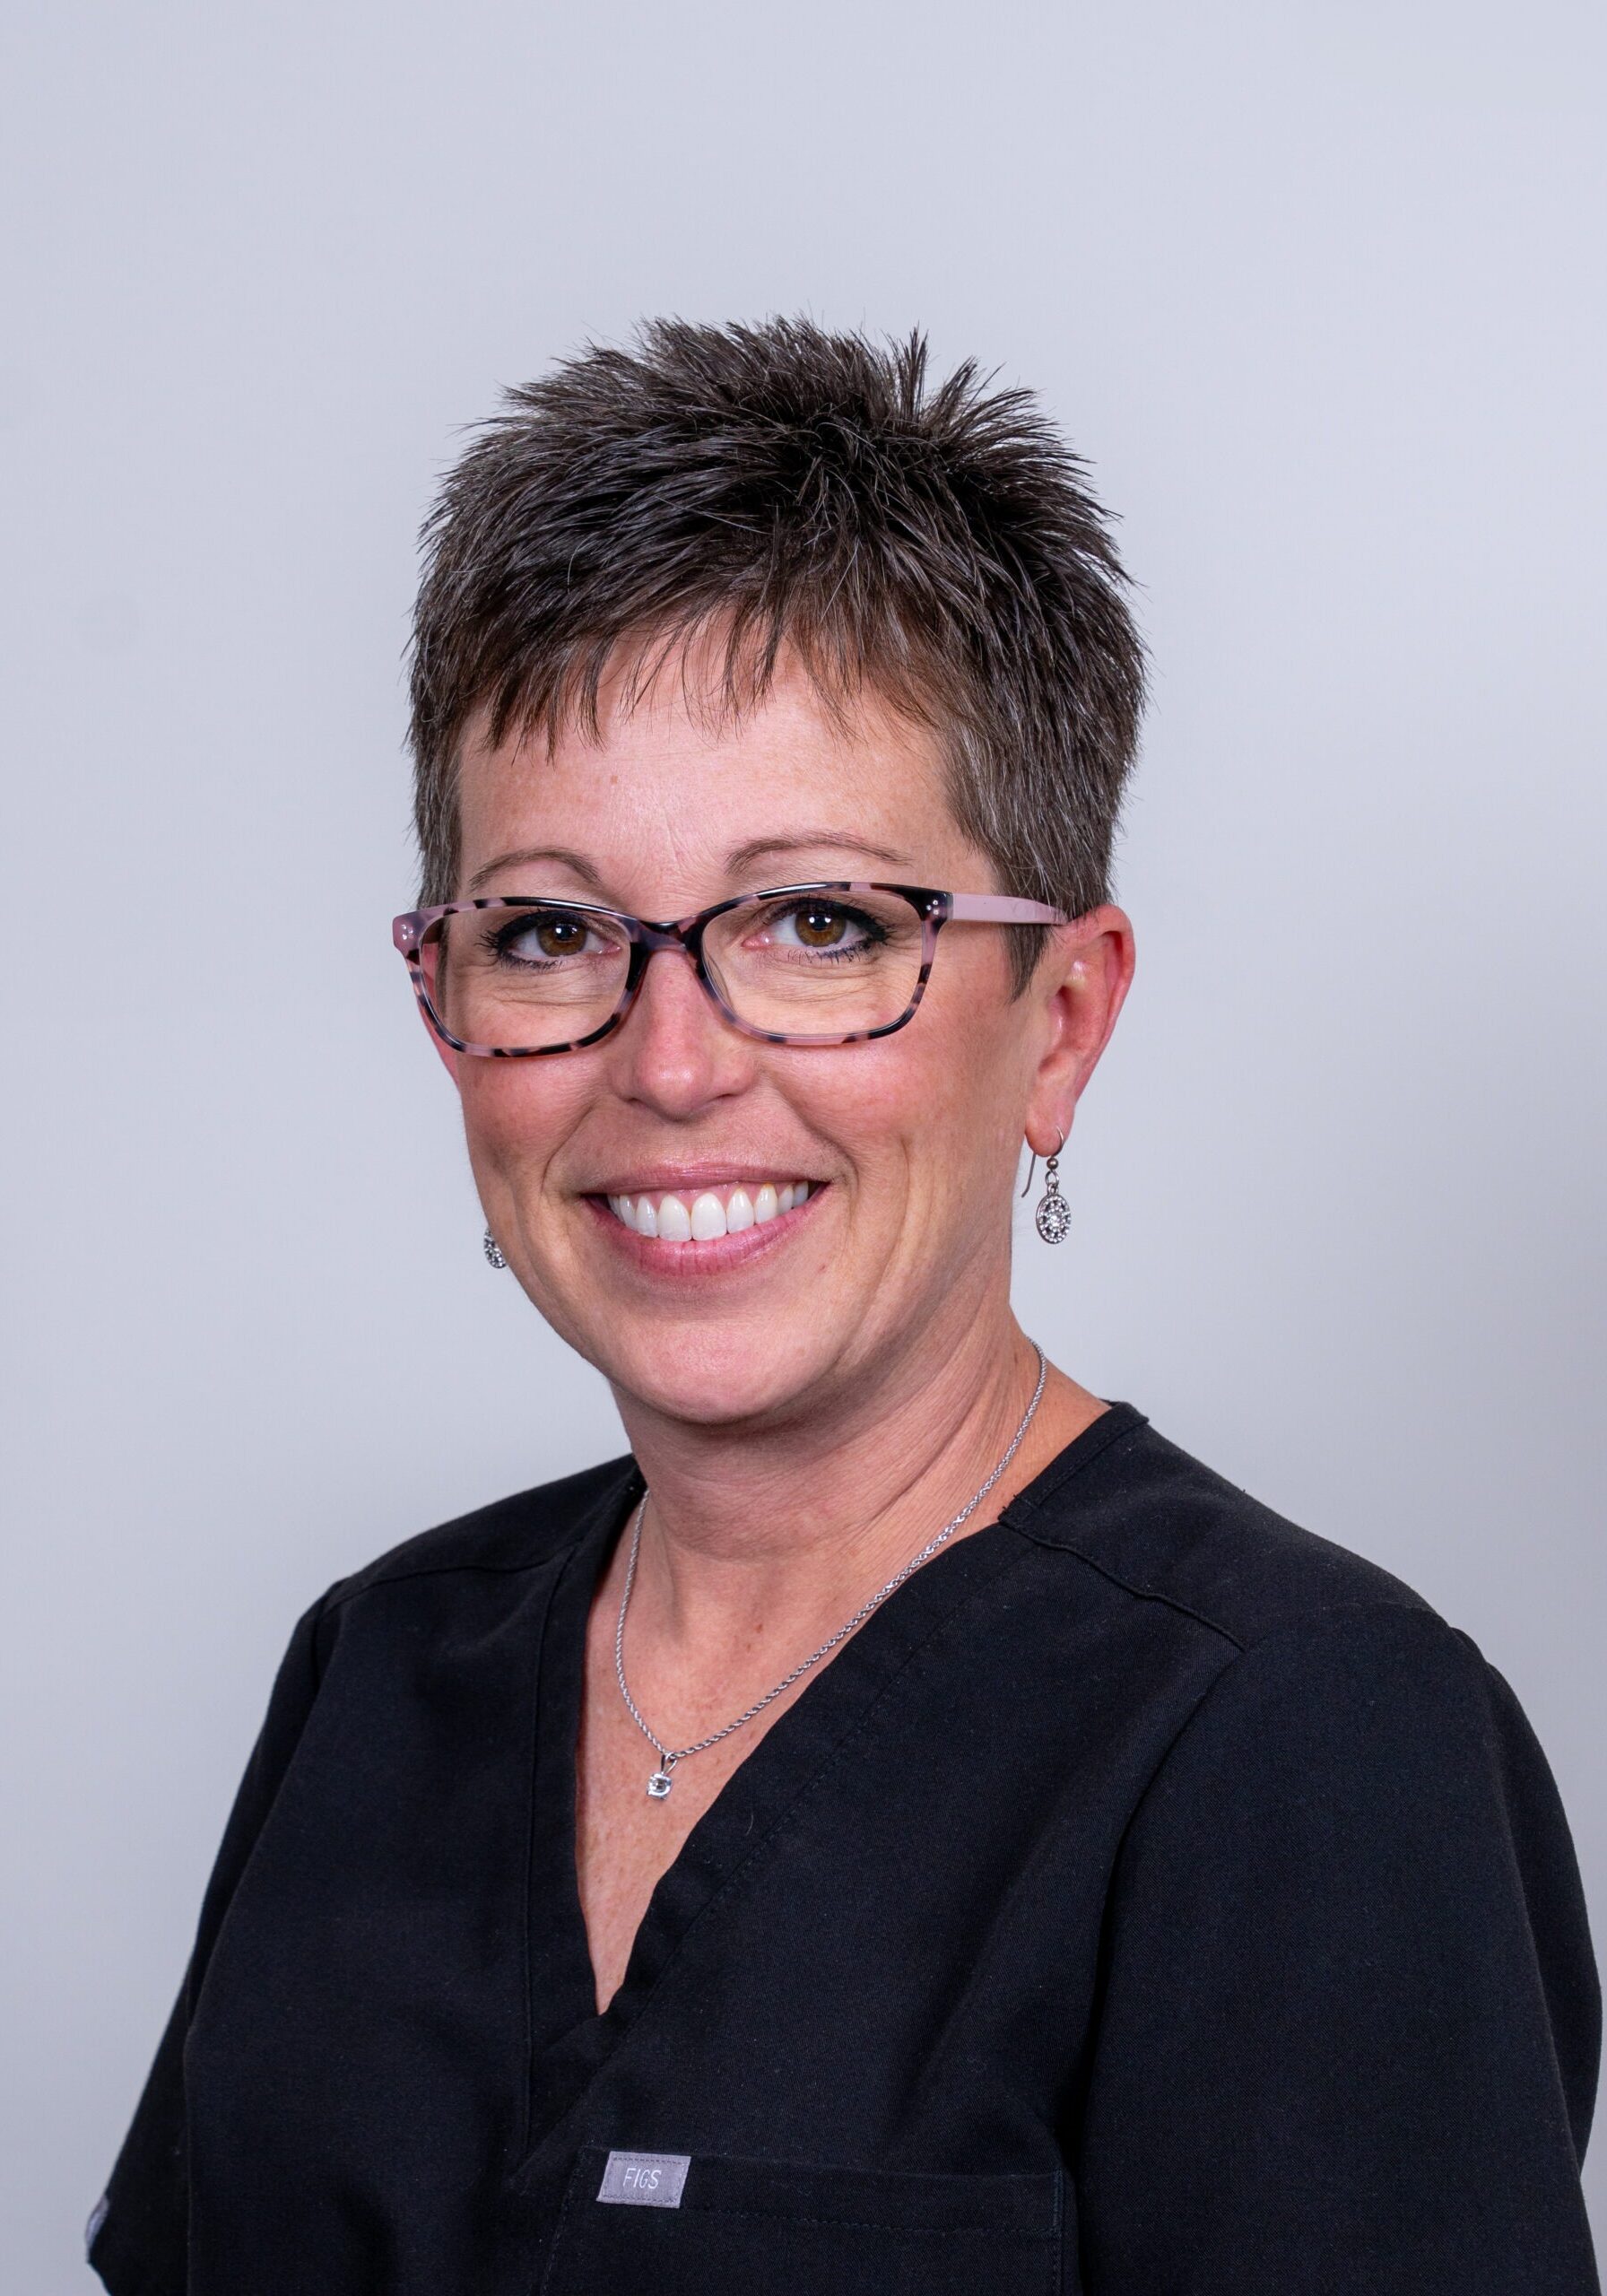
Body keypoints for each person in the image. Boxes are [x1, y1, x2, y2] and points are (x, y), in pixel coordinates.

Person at [90, 319, 1600, 2295]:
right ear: (448, 1006)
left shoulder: (1299, 1739)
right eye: (548, 931)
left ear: (1060, 1020)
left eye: (819, 923)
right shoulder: (377, 1667)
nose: (671, 1063)